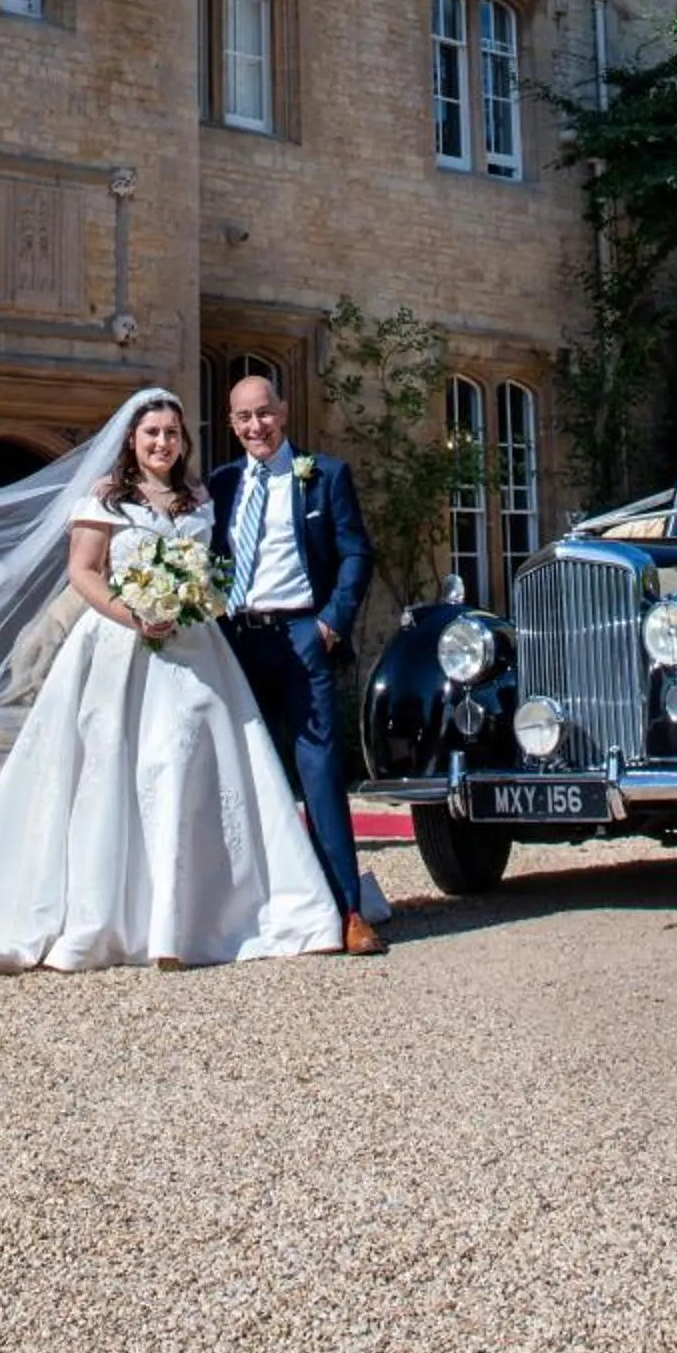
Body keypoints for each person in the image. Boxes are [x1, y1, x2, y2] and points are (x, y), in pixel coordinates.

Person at [0, 389, 342, 974]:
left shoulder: (199, 498)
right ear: (131, 440)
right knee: (115, 769)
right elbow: (84, 571)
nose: (163, 443)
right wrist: (135, 612)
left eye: (172, 433)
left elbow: (218, 567)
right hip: (120, 651)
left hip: (195, 650)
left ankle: (197, 915)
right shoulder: (106, 499)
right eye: (152, 433)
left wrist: (194, 598)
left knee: (191, 762)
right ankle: (113, 916)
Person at [210, 372, 384, 958]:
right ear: (231, 424)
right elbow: (209, 561)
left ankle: (348, 911)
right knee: (249, 776)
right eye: (243, 418)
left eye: (264, 414)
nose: (255, 426)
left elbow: (357, 551)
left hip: (304, 634)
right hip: (241, 641)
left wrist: (331, 623)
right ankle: (264, 909)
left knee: (320, 774)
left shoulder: (323, 475)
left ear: (282, 412)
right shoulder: (223, 483)